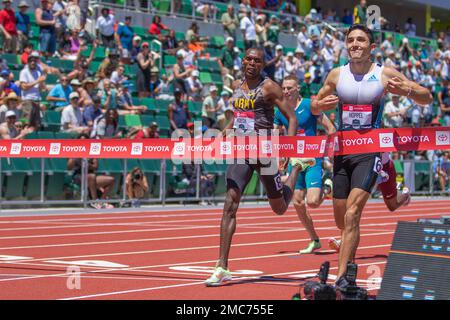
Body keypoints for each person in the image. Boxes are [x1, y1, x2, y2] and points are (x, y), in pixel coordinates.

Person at [311, 24, 433, 293]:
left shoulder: (383, 73)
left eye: (361, 40)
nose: (355, 44)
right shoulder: (336, 74)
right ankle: (348, 269)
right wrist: (320, 106)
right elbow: (314, 105)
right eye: (350, 40)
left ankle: (342, 279)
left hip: (370, 150)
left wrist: (406, 91)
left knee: (354, 213)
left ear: (372, 47)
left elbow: (427, 97)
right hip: (343, 153)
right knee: (342, 221)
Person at [204, 47, 315, 286]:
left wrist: (289, 150)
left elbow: (292, 118)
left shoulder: (270, 87)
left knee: (279, 207)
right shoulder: (237, 86)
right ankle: (222, 265)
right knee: (230, 203)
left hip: (264, 153)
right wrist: (223, 135)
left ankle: (296, 168)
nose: (252, 63)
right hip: (242, 152)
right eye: (249, 59)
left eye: (257, 60)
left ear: (262, 64)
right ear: (243, 61)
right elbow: (237, 116)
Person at [275, 75, 336, 254]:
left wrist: (330, 151)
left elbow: (330, 128)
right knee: (298, 202)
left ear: (298, 88)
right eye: (284, 88)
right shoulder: (280, 111)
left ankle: (327, 187)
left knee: (313, 202)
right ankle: (314, 240)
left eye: (289, 88)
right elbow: (273, 132)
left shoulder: (310, 105)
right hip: (294, 161)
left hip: (312, 158)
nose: (286, 91)